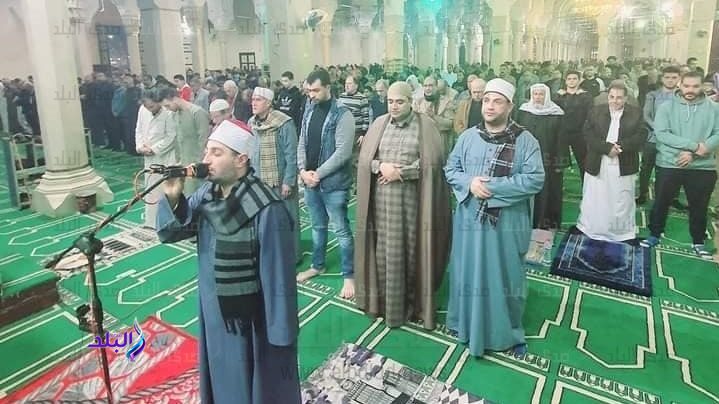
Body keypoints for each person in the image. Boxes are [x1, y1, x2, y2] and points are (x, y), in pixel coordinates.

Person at [156, 120, 301, 403]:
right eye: (206, 151)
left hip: (251, 321)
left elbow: (278, 281)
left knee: (255, 387)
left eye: (216, 152)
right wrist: (174, 197)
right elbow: (173, 231)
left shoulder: (267, 208)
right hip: (215, 310)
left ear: (241, 159)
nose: (206, 159)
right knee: (222, 379)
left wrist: (281, 337)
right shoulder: (206, 195)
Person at [444, 78, 545, 357]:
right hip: (469, 221)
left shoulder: (526, 141)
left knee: (504, 275)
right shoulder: (468, 137)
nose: (489, 106)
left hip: (506, 224)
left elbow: (534, 179)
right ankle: (465, 324)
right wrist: (469, 183)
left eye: (497, 101)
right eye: (486, 100)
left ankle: (504, 332)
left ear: (510, 106)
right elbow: (451, 169)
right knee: (467, 271)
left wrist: (490, 189)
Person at [354, 81, 451, 330]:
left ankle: (410, 305)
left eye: (400, 101)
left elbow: (433, 163)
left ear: (411, 102)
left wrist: (402, 173)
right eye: (390, 101)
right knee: (382, 253)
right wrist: (381, 166)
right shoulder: (379, 124)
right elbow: (364, 160)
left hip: (411, 204)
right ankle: (382, 304)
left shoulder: (425, 126)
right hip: (381, 204)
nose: (394, 106)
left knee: (409, 252)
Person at [642, 71, 719, 259]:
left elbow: (717, 134)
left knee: (699, 206)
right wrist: (693, 147)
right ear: (680, 85)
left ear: (703, 86)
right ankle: (654, 234)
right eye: (687, 86)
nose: (690, 90)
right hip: (670, 163)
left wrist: (694, 154)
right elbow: (662, 134)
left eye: (695, 86)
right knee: (661, 202)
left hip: (703, 167)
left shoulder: (714, 108)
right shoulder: (666, 107)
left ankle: (698, 241)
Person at [296, 69, 356, 299]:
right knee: (317, 227)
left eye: (315, 90)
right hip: (311, 182)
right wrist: (303, 171)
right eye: (308, 91)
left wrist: (317, 174)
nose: (311, 95)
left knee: (341, 230)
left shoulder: (343, 114)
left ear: (328, 87)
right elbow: (302, 141)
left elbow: (343, 152)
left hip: (333, 184)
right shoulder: (309, 109)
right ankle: (317, 265)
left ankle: (349, 275)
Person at [577, 81, 646, 241]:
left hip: (624, 162)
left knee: (621, 197)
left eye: (619, 98)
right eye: (612, 97)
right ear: (607, 96)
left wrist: (621, 147)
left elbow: (641, 135)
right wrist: (606, 148)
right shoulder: (596, 111)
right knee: (596, 195)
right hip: (598, 160)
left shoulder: (636, 113)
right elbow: (587, 133)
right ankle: (593, 227)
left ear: (626, 98)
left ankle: (620, 231)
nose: (615, 101)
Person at [248, 87, 301, 264]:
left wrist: (288, 181)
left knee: (287, 220)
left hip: (281, 182)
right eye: (253, 99)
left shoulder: (284, 123)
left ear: (269, 103)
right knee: (265, 222)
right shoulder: (252, 122)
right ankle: (270, 255)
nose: (253, 103)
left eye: (258, 100)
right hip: (259, 181)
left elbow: (291, 154)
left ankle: (292, 257)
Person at [517, 83, 566, 230]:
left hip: (548, 159)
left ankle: (544, 222)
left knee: (546, 190)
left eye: (541, 94)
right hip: (525, 158)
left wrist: (560, 162)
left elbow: (561, 139)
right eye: (535, 94)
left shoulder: (556, 113)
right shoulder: (523, 111)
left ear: (547, 96)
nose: (538, 97)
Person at [135, 88, 178, 229]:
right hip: (148, 156)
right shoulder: (143, 110)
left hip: (164, 157)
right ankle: (151, 222)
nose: (149, 109)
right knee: (150, 188)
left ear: (158, 102)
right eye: (147, 106)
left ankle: (166, 222)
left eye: (152, 106)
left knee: (164, 190)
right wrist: (140, 146)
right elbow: (139, 130)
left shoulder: (168, 112)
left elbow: (171, 136)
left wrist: (154, 149)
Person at [159, 87, 211, 194]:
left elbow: (204, 142)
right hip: (183, 165)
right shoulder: (175, 115)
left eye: (167, 105)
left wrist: (200, 165)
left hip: (198, 167)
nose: (167, 109)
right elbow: (179, 140)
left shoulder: (197, 113)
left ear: (175, 98)